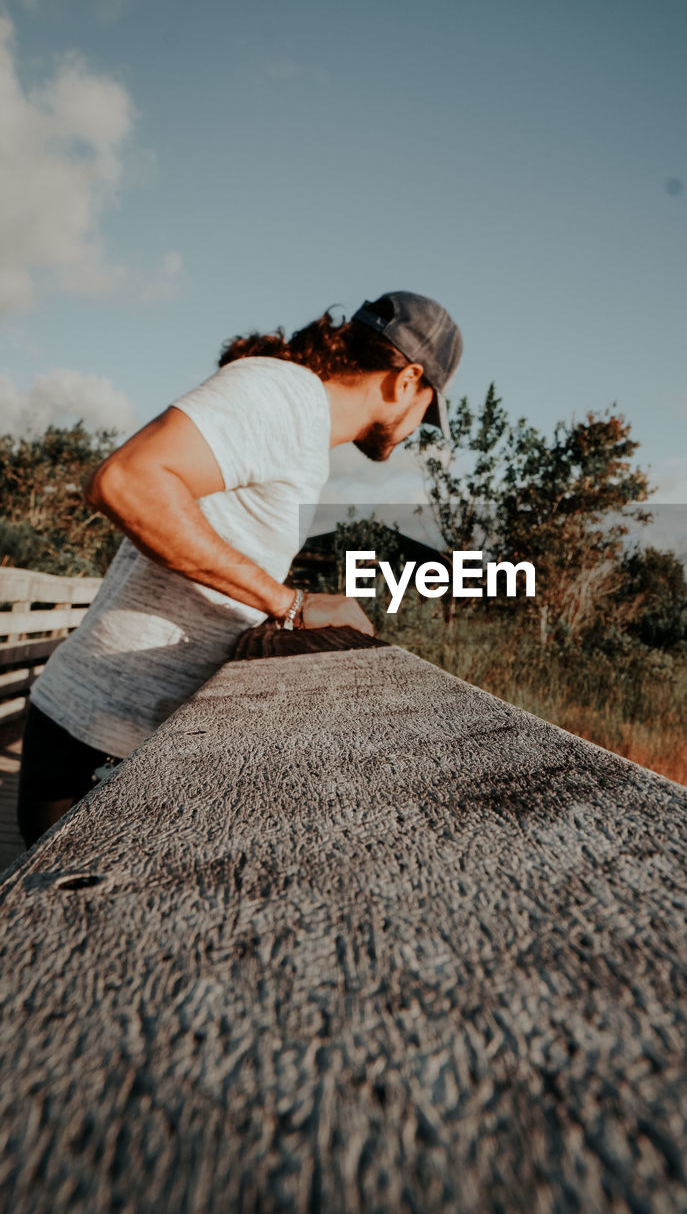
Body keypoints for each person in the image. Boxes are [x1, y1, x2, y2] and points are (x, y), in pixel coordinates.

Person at [17, 291, 463, 847]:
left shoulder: (300, 422)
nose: (419, 426)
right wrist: (290, 605)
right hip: (98, 733)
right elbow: (126, 481)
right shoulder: (285, 395)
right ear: (406, 380)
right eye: (428, 408)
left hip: (132, 734)